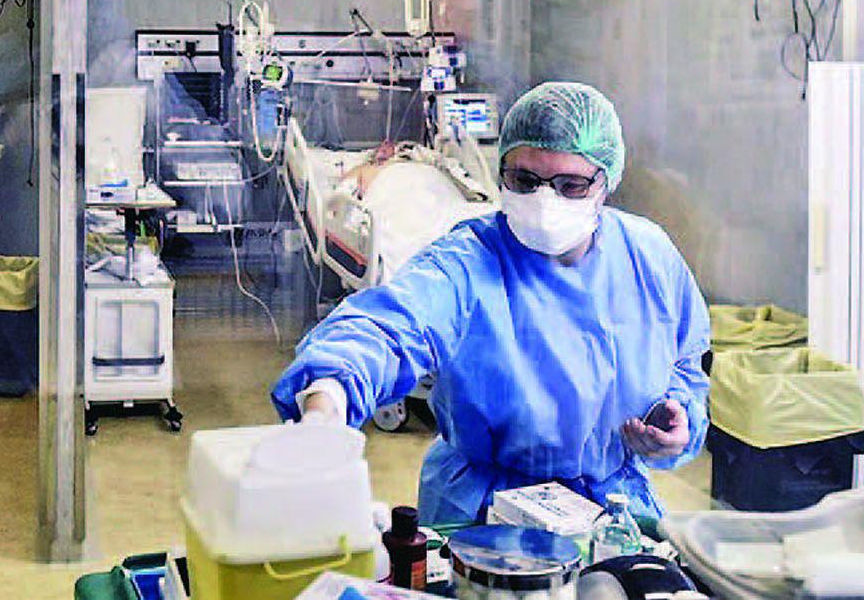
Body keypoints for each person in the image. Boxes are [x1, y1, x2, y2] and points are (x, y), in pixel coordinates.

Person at [272, 81, 710, 524]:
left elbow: (686, 362)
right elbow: (387, 327)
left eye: (571, 186)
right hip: (486, 516)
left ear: (606, 181)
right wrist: (326, 403)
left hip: (613, 509)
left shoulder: (648, 257)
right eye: (524, 181)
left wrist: (679, 417)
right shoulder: (466, 262)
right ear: (502, 172)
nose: (545, 201)